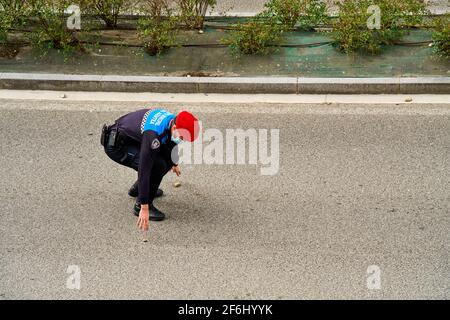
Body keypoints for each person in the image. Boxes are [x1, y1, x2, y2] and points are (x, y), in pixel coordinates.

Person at [101, 108, 199, 232]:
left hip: (132, 139)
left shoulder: (172, 120)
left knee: (167, 162)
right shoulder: (153, 135)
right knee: (156, 166)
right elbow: (144, 169)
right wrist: (144, 207)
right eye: (182, 137)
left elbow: (169, 141)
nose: (182, 140)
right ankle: (140, 204)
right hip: (117, 146)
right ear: (175, 128)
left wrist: (173, 162)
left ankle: (137, 190)